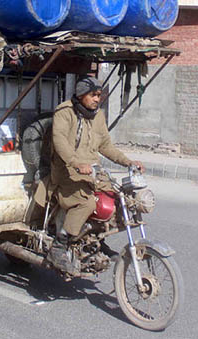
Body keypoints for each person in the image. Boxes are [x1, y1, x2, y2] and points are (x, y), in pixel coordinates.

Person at [45, 76, 144, 272]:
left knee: (117, 198)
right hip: (67, 171)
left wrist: (128, 162)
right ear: (81, 95)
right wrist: (76, 163)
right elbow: (60, 141)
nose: (97, 99)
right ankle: (59, 246)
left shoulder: (97, 115)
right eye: (93, 95)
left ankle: (96, 239)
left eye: (99, 95)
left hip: (93, 172)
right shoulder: (65, 112)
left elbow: (105, 145)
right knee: (86, 202)